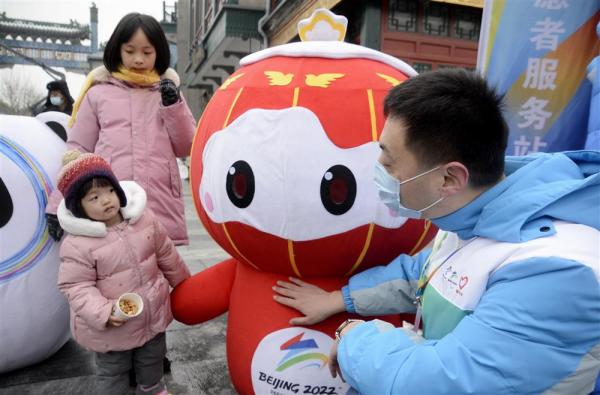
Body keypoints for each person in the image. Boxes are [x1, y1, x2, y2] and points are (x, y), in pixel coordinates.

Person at [273, 69, 600, 394]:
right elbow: (423, 273)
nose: (379, 173)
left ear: (448, 179)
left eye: (388, 164)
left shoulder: (557, 269)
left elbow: (439, 382)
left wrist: (352, 335)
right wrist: (339, 298)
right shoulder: (470, 214)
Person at [45, 12, 196, 246]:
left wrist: (173, 105)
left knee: (163, 274)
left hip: (159, 202)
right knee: (116, 272)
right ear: (118, 50)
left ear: (159, 53)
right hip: (110, 202)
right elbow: (78, 150)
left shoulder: (168, 93)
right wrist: (57, 205)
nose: (138, 59)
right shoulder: (97, 94)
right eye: (130, 51)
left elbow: (186, 145)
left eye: (147, 52)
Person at [55, 150, 190, 395]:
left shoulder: (143, 219)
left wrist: (184, 284)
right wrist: (104, 312)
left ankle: (152, 388)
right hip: (113, 324)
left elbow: (166, 253)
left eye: (109, 190)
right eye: (93, 197)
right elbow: (75, 286)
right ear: (79, 207)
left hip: (151, 312)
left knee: (152, 356)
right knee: (113, 370)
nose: (106, 200)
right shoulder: (78, 244)